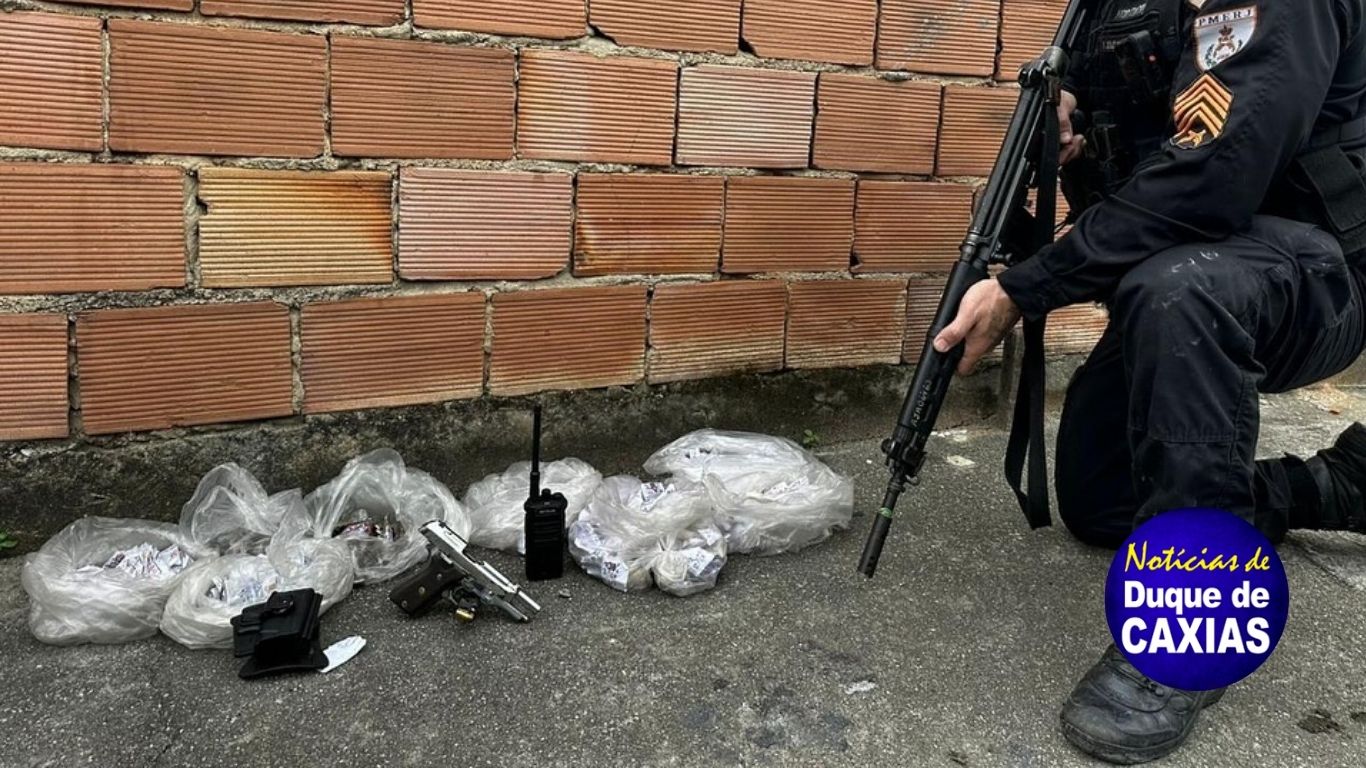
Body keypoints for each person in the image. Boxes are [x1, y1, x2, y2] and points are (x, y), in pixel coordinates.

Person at [931, 0, 1366, 763]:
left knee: (1177, 289)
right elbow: (1145, 146)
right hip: (1205, 272)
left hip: (1317, 278)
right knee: (1103, 501)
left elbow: (1214, 178)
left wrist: (1025, 288)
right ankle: (1333, 487)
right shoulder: (1102, 10)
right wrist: (1070, 116)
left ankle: (1192, 631)